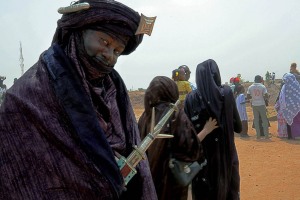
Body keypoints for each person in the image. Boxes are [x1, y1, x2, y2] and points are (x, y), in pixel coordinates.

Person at [0, 1, 157, 199]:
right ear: (79, 32)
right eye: (105, 42)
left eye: (117, 51)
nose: (109, 55)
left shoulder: (114, 89)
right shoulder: (26, 96)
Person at [138, 76, 218, 200]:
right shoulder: (175, 115)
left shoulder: (145, 116)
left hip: (148, 181)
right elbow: (192, 150)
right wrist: (206, 130)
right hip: (170, 184)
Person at [184, 59, 242, 200]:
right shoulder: (226, 93)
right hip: (227, 159)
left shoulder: (190, 99)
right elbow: (238, 128)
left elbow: (188, 137)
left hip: (202, 163)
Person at [275, 73, 300, 139]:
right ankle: (297, 135)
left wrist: (280, 106)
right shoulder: (297, 85)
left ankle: (290, 135)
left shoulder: (285, 87)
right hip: (298, 106)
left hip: (288, 107)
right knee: (297, 121)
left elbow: (281, 97)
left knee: (289, 121)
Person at [247, 75, 270, 139]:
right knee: (264, 120)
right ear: (260, 80)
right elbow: (266, 95)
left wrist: (254, 97)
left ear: (254, 79)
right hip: (261, 104)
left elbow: (248, 96)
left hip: (254, 105)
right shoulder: (262, 86)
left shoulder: (250, 87)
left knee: (256, 120)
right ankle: (266, 135)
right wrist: (265, 97)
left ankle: (258, 135)